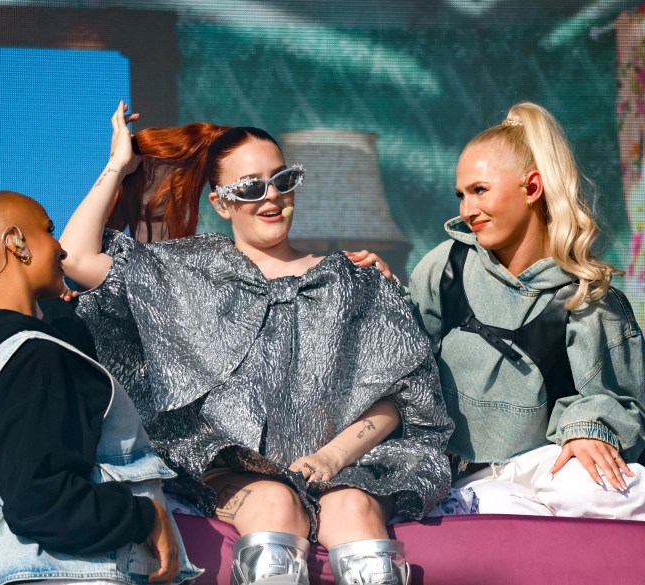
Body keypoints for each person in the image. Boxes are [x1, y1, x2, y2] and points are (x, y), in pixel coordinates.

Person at [59, 101, 454, 585]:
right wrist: (117, 164)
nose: (270, 197)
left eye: (282, 179)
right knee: (273, 501)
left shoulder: (355, 280)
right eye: (249, 187)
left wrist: (331, 458)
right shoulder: (182, 272)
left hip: (351, 470)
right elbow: (76, 257)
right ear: (221, 202)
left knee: (351, 507)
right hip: (231, 472)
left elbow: (401, 397)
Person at [408, 101, 645, 532]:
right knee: (480, 515)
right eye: (461, 194)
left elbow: (618, 403)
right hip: (464, 480)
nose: (467, 209)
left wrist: (589, 428)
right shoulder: (446, 268)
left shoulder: (588, 295)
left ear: (531, 188)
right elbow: (405, 366)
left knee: (598, 487)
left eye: (479, 191)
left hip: (551, 469)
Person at [0, 191, 202, 585]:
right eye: (49, 231)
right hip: (73, 574)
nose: (60, 248)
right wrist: (144, 516)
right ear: (15, 242)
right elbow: (41, 498)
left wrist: (57, 317)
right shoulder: (32, 359)